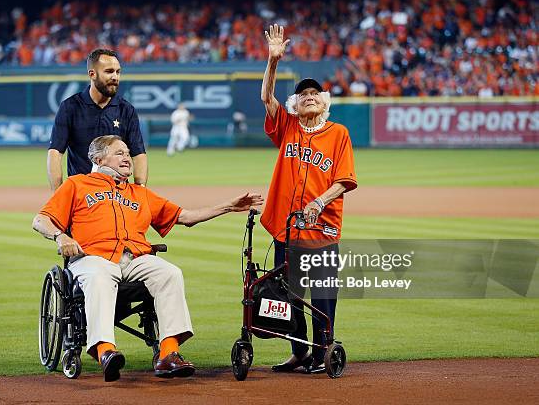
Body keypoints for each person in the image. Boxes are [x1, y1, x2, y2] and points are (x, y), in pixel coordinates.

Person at [33, 135, 263, 382]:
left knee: (169, 272)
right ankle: (105, 351)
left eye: (128, 153)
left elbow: (185, 217)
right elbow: (40, 220)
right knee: (99, 276)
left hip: (134, 258)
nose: (127, 158)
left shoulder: (138, 193)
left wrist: (227, 206)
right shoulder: (77, 184)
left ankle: (168, 353)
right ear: (99, 158)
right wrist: (60, 237)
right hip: (92, 257)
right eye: (119, 152)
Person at [260, 24, 357, 373]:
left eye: (315, 93)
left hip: (323, 228)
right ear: (295, 105)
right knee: (290, 295)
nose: (309, 96)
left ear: (325, 102)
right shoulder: (287, 127)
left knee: (323, 296)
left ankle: (323, 352)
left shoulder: (338, 134)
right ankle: (300, 351)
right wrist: (273, 61)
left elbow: (345, 180)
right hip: (287, 228)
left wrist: (318, 203)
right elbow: (266, 99)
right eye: (303, 95)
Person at [47, 48, 148, 191]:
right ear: (92, 74)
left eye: (118, 72)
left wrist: (140, 190)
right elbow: (55, 153)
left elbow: (139, 155)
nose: (115, 77)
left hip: (117, 196)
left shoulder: (126, 110)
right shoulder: (70, 107)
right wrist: (58, 194)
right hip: (81, 194)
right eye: (109, 71)